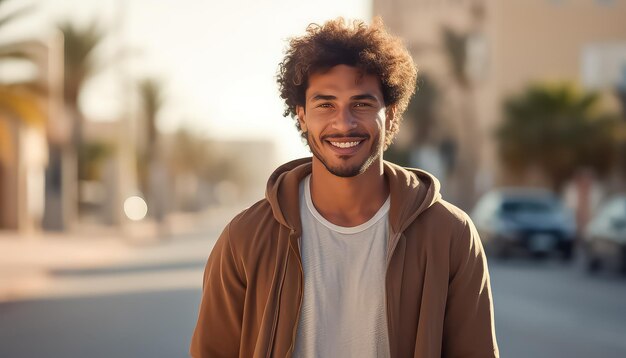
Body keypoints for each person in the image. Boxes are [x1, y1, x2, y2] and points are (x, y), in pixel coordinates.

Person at [190, 17, 498, 358]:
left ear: (392, 113)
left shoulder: (450, 234)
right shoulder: (245, 237)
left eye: (362, 104)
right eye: (325, 105)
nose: (344, 123)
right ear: (302, 116)